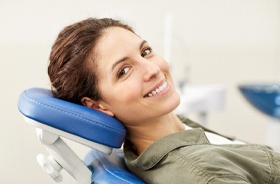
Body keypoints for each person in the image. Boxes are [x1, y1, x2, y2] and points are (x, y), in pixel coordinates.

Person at [48, 17, 280, 183]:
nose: (152, 69)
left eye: (145, 52)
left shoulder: (175, 132)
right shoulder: (202, 174)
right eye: (124, 71)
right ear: (98, 106)